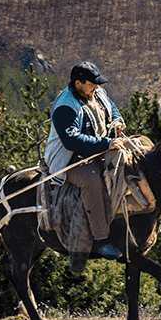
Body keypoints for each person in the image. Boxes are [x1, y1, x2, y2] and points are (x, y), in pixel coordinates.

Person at [44, 61, 131, 259]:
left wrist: (117, 122)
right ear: (78, 83)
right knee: (93, 181)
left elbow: (112, 108)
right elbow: (71, 140)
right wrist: (107, 144)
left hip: (97, 149)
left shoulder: (95, 92)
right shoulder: (66, 106)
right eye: (92, 83)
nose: (97, 87)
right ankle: (101, 239)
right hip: (70, 159)